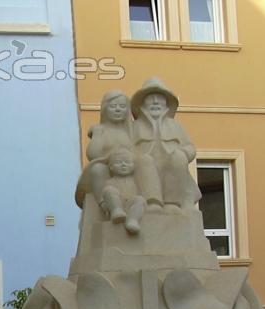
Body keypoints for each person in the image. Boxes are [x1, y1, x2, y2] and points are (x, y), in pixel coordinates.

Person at [75, 89, 162, 210]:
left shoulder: (131, 131)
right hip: (107, 166)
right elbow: (93, 155)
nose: (118, 109)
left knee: (146, 160)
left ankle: (153, 201)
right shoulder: (101, 129)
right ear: (105, 109)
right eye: (113, 106)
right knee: (98, 169)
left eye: (122, 106)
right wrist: (97, 134)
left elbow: (141, 150)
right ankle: (105, 204)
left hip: (128, 165)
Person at [131, 77, 201, 209]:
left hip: (172, 171)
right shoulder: (134, 127)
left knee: (178, 157)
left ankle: (172, 203)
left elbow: (189, 147)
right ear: (142, 102)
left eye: (160, 98)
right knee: (144, 160)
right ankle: (152, 202)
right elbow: (125, 149)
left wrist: (184, 153)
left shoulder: (175, 126)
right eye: (151, 98)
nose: (156, 101)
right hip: (143, 173)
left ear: (167, 103)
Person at [102, 147, 147, 234]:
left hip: (130, 203)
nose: (123, 165)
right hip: (117, 203)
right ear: (111, 167)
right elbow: (106, 196)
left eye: (127, 162)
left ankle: (132, 220)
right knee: (108, 190)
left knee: (140, 200)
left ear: (133, 166)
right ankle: (116, 211)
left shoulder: (135, 180)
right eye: (118, 162)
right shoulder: (110, 181)